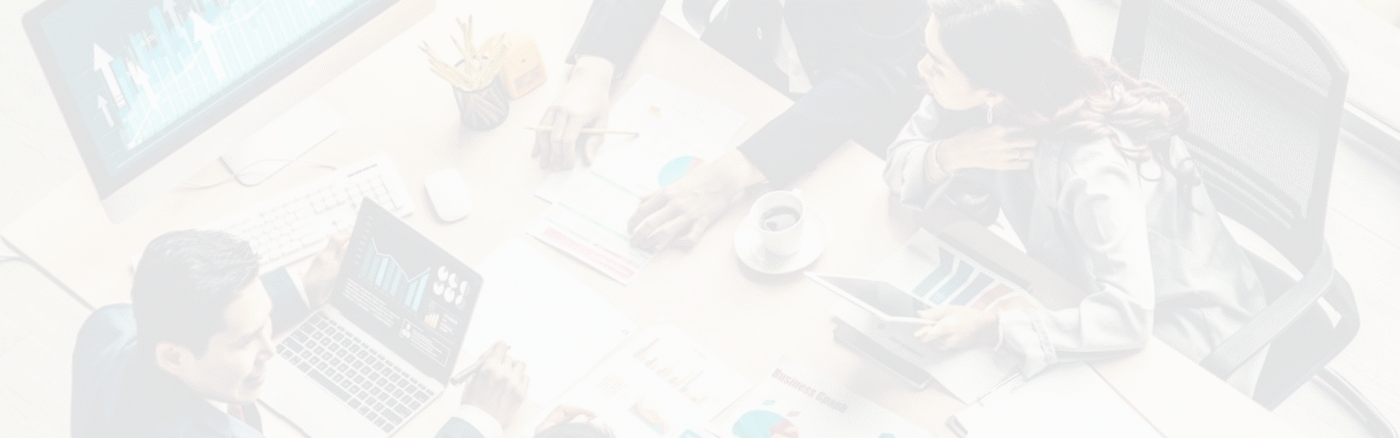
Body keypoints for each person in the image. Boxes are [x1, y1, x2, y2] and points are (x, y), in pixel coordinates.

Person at [885, 0, 1268, 395]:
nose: (922, 68)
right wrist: (949, 154)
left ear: (992, 89)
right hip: (1081, 286)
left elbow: (1129, 317)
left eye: (937, 64)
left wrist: (994, 328)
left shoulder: (1093, 168)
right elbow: (895, 168)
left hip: (1181, 326)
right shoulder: (984, 90)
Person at [72, 229, 558, 437]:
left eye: (265, 323)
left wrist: (301, 291)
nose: (271, 349)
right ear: (174, 357)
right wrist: (477, 420)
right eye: (245, 342)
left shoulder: (109, 327)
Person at [537, 0, 929, 251]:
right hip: (745, 61)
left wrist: (729, 175)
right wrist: (593, 68)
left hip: (846, 123)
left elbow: (868, 81)